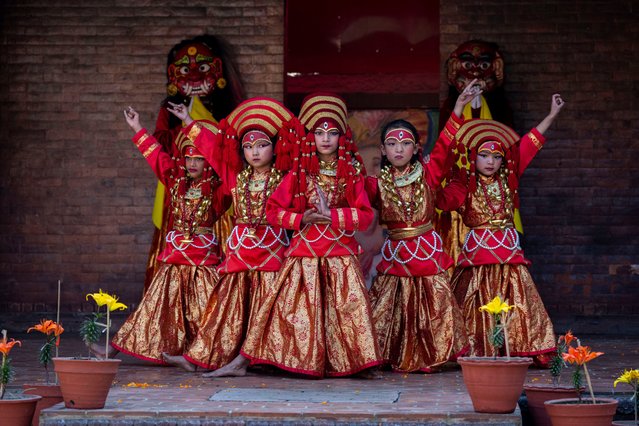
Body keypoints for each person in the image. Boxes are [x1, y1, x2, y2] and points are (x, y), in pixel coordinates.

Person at [241, 93, 382, 378]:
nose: (325, 139)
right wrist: (301, 218)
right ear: (311, 137)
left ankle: (351, 363)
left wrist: (332, 215)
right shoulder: (299, 172)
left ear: (341, 137)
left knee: (346, 311)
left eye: (332, 133)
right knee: (295, 311)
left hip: (340, 252)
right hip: (304, 251)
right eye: (319, 132)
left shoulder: (351, 172)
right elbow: (273, 211)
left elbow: (366, 215)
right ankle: (299, 361)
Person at [160, 98, 297, 374]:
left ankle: (258, 360)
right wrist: (187, 120)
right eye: (248, 147)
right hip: (241, 255)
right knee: (224, 310)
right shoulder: (236, 176)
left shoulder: (286, 177)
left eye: (261, 145)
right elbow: (211, 149)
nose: (254, 153)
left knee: (266, 311)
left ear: (275, 148)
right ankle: (199, 357)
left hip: (271, 256)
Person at [91, 105, 229, 363]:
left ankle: (200, 356)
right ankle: (114, 349)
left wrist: (188, 120)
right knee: (151, 309)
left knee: (207, 313)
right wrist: (137, 128)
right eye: (188, 158)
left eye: (198, 158)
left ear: (208, 160)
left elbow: (220, 157)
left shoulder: (220, 190)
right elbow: (157, 156)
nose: (192, 163)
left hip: (203, 263)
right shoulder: (176, 182)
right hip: (174, 261)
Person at [437, 94, 565, 364]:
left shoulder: (509, 176)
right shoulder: (464, 184)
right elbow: (443, 201)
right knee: (472, 306)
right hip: (477, 259)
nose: (491, 161)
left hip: (509, 256)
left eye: (496, 156)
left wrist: (552, 115)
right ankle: (476, 351)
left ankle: (518, 348)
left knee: (519, 302)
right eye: (484, 155)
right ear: (473, 157)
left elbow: (529, 144)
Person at [364, 85, 479, 373]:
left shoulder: (429, 172)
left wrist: (458, 109)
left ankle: (433, 355)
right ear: (383, 150)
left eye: (405, 144)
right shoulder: (375, 183)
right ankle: (390, 355)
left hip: (426, 252)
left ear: (415, 148)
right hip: (396, 254)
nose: (398, 149)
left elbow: (444, 146)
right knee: (389, 307)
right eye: (392, 144)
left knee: (435, 307)